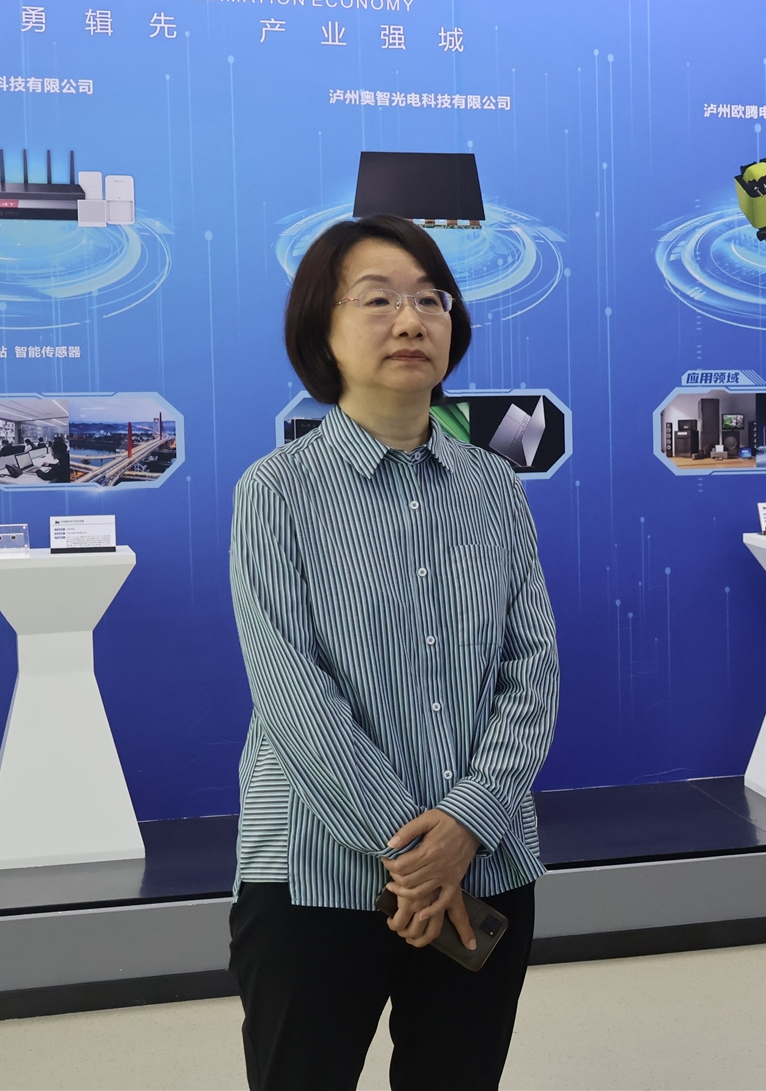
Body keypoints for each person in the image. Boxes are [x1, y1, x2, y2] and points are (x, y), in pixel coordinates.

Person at [227, 214, 559, 1090]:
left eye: (429, 299)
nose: (411, 321)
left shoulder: (494, 488)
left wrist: (467, 825)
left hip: (484, 861)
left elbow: (531, 672)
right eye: (377, 301)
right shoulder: (277, 493)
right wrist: (415, 854)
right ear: (321, 330)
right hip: (316, 869)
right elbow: (291, 689)